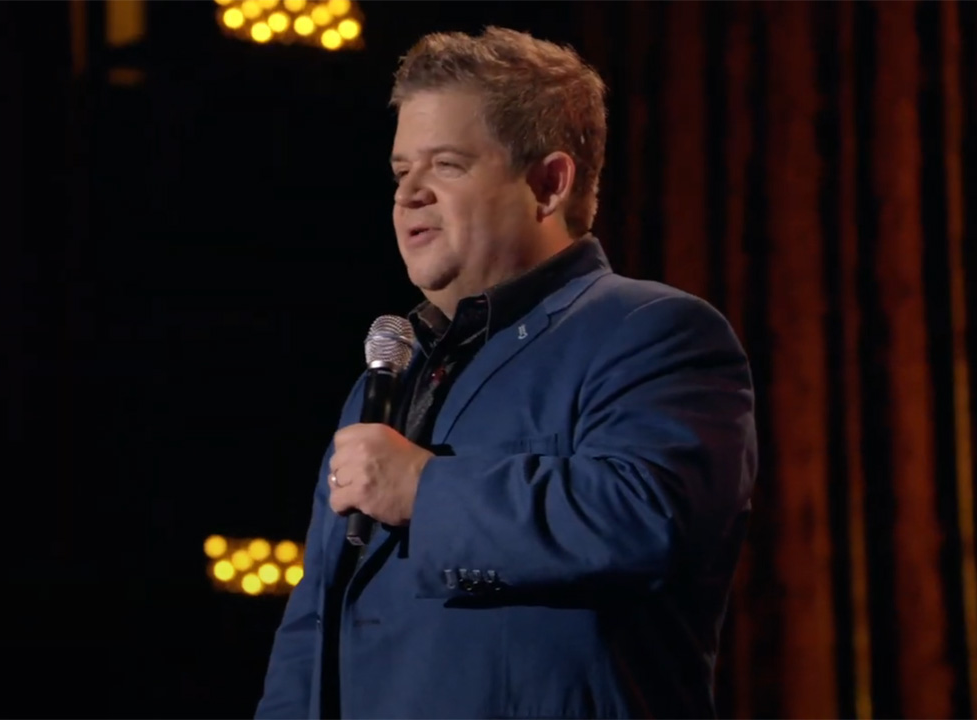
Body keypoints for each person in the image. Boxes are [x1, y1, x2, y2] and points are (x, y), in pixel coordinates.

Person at [255, 26, 757, 720]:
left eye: (448, 165)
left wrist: (422, 491)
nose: (410, 196)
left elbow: (643, 517)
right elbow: (313, 629)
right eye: (402, 172)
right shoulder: (385, 382)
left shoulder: (652, 333)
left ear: (549, 183)